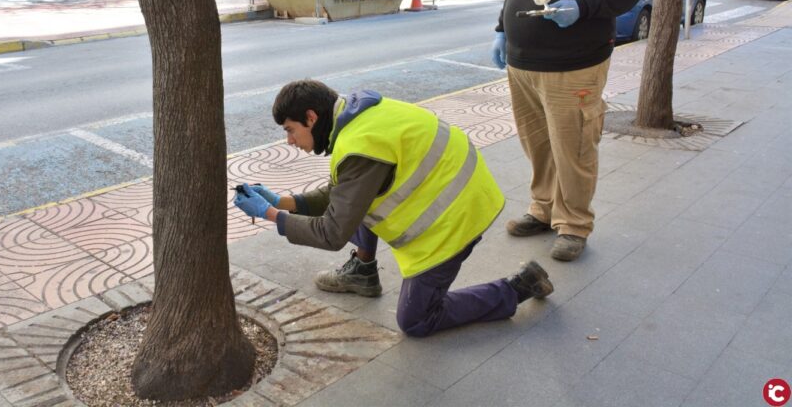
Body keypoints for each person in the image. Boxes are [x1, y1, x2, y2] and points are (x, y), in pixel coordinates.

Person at [232, 79, 554, 337]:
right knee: (354, 202)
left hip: (455, 219)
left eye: (290, 130)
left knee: (416, 320)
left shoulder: (360, 147)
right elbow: (343, 193)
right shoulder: (359, 115)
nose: (289, 140)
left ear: (311, 118)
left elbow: (332, 233)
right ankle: (363, 272)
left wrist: (271, 215)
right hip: (462, 189)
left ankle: (516, 288)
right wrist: (282, 201)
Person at [491, 0, 645, 261]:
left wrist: (582, 6)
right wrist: (501, 29)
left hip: (574, 64)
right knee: (538, 145)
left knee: (573, 147)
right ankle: (543, 210)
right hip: (522, 63)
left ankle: (574, 225)